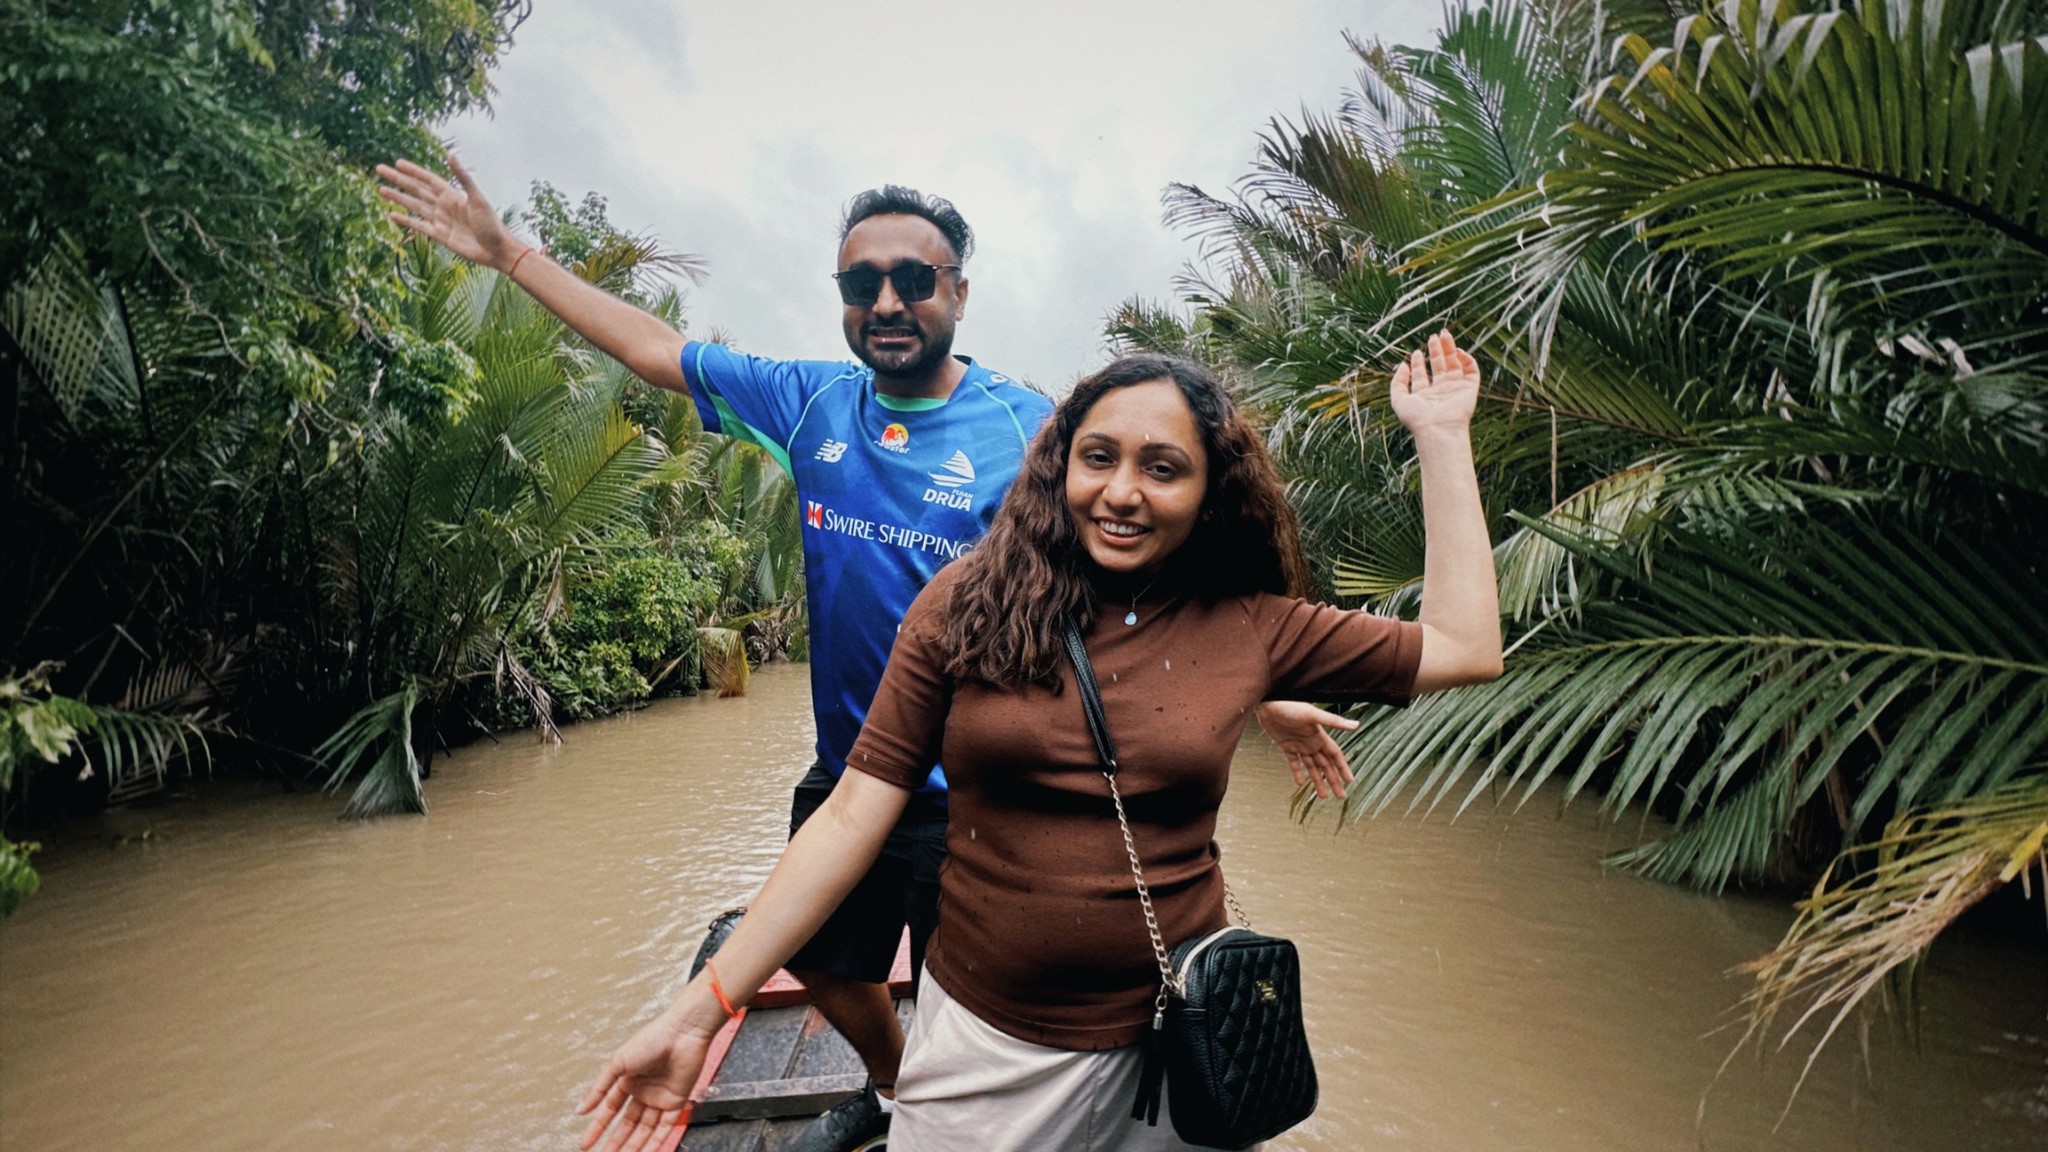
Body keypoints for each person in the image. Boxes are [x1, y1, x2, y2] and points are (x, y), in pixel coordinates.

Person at [374, 157, 1361, 1151]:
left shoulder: (1036, 430)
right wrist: (508, 255)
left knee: (965, 1002)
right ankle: (894, 1092)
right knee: (821, 961)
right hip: (852, 771)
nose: (886, 301)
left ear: (957, 296)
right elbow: (655, 350)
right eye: (861, 284)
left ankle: (944, 1105)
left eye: (913, 280)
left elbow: (1145, 567)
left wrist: (1262, 685)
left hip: (983, 785)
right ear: (844, 299)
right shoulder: (807, 403)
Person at [575, 336, 1504, 1152]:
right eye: (1097, 457)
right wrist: (705, 1008)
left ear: (1212, 489)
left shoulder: (1250, 626)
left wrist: (1440, 435)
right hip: (988, 1046)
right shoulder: (967, 605)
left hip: (1176, 1042)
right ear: (1059, 467)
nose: (1122, 493)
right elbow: (856, 808)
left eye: (1164, 468)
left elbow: (1467, 648)